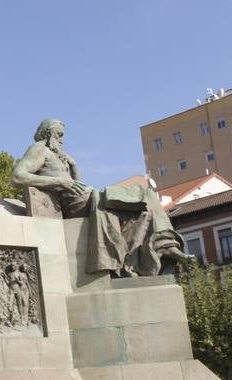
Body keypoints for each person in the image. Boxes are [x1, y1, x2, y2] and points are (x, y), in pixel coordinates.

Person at [12, 119, 189, 277]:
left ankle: (163, 247)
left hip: (88, 199)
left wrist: (73, 167)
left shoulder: (59, 155)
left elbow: (76, 185)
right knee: (145, 194)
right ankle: (165, 246)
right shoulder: (39, 149)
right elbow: (18, 176)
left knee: (143, 212)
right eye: (59, 134)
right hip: (80, 203)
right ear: (48, 133)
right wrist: (59, 181)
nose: (62, 139)